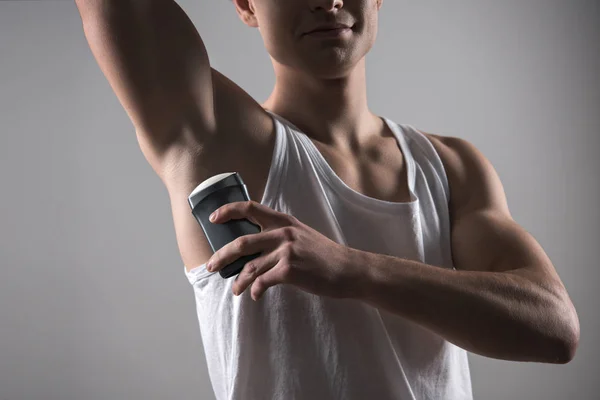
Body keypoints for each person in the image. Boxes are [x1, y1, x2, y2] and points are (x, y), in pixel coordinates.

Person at [74, 0, 580, 399]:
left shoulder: (451, 166)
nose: (327, 0)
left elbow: (554, 327)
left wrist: (350, 268)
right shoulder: (215, 137)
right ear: (247, 5)